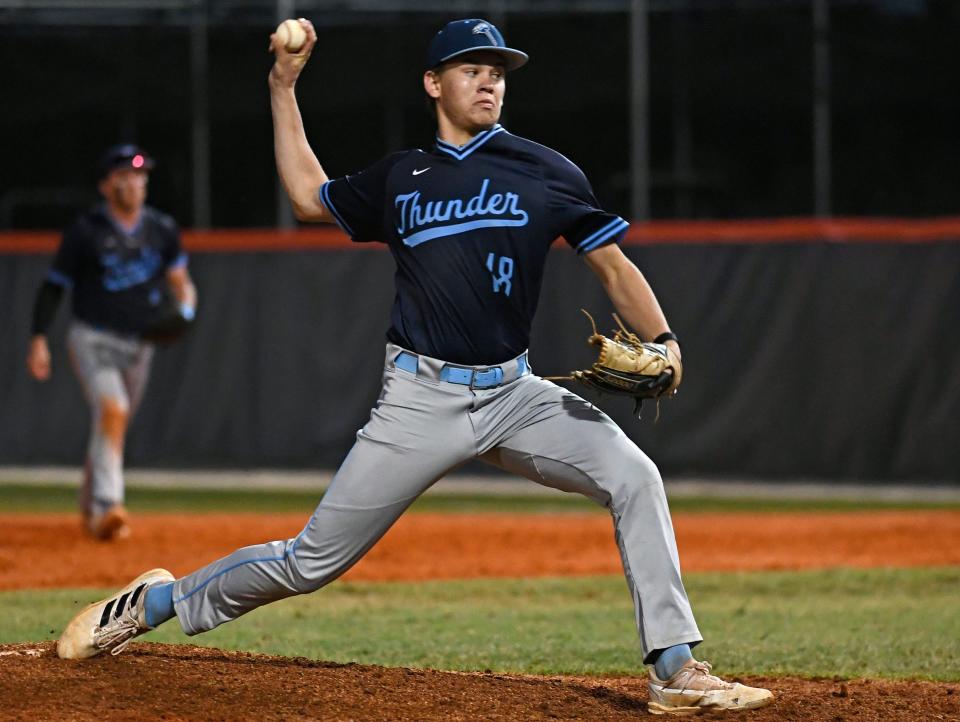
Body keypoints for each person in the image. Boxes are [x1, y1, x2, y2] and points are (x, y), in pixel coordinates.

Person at [57, 20, 772, 715]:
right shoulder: (403, 177)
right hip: (419, 400)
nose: (489, 82)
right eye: (473, 69)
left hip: (515, 392)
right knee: (312, 562)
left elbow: (613, 266)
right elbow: (309, 197)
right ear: (434, 83)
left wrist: (666, 339)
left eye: (497, 72)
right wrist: (282, 86)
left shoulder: (547, 171)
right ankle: (154, 602)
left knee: (635, 476)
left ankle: (675, 668)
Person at [27, 144, 197, 541]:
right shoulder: (86, 232)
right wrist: (38, 338)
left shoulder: (162, 229)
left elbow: (182, 284)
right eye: (124, 176)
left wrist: (186, 312)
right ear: (106, 186)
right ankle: (110, 505)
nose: (135, 182)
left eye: (140, 175)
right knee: (114, 410)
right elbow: (53, 289)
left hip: (139, 345)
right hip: (93, 338)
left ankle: (91, 508)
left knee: (113, 425)